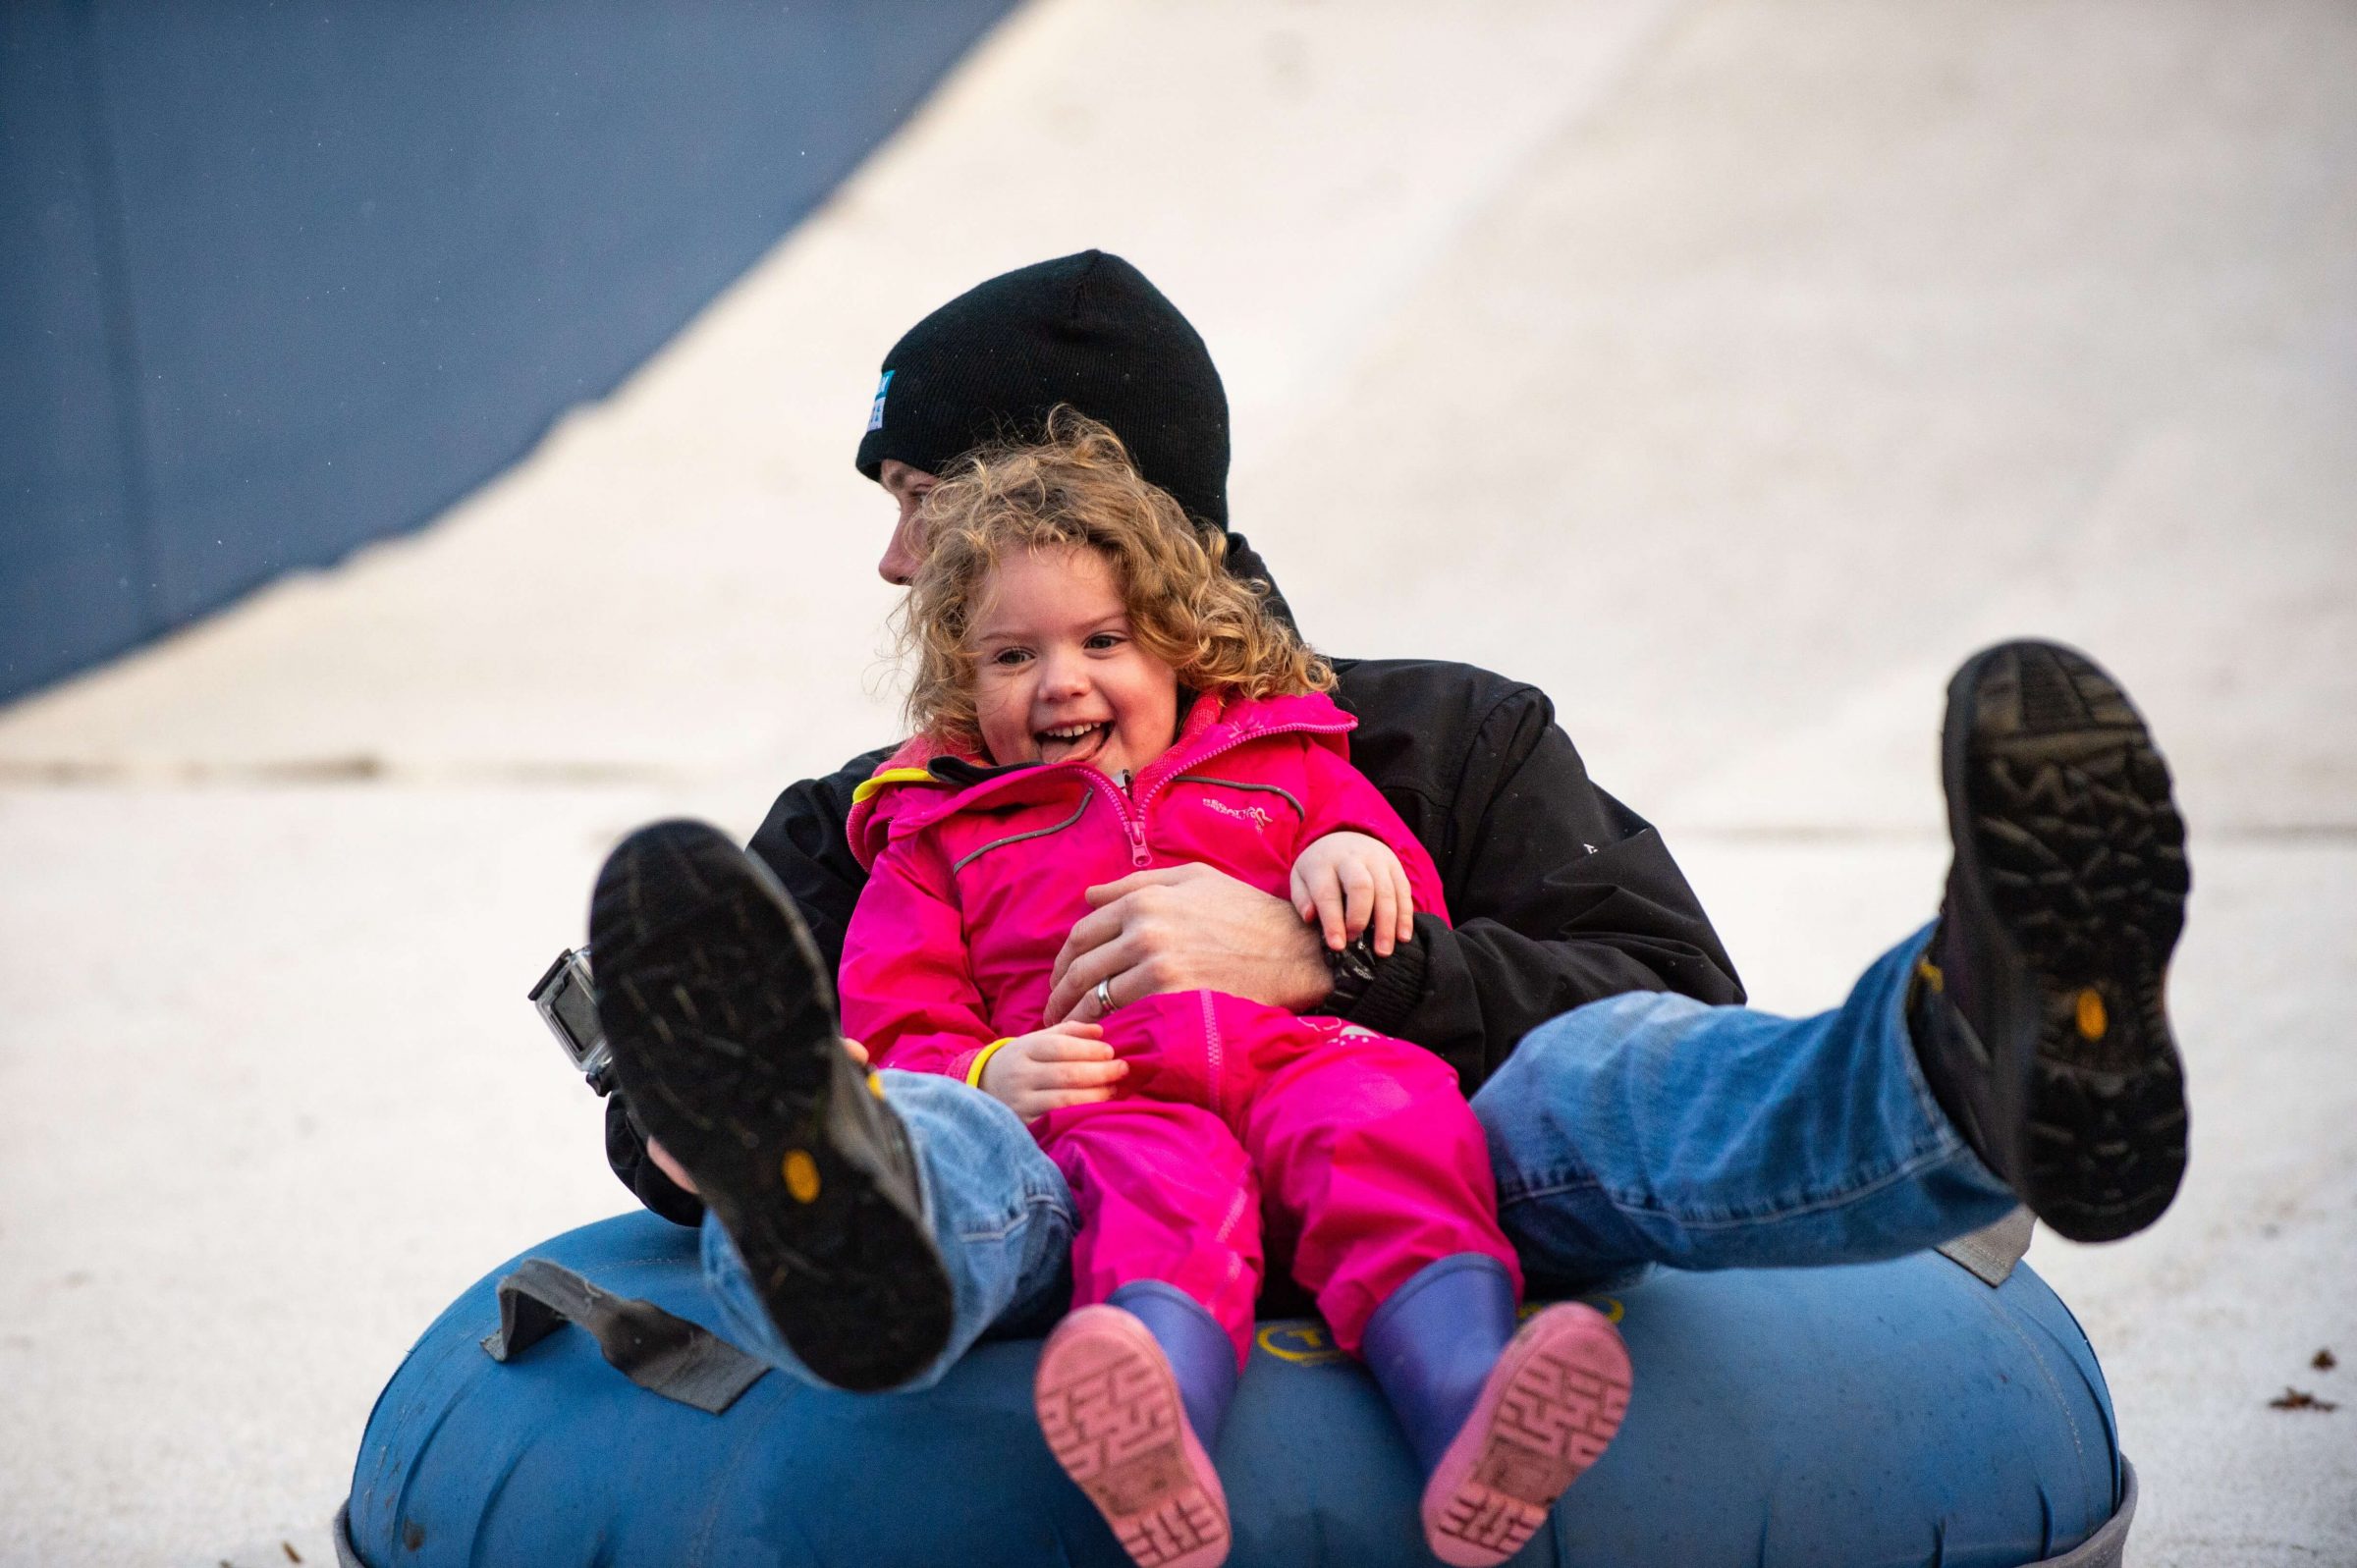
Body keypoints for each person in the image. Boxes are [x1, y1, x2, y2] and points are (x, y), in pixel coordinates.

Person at [586, 252, 2189, 1500]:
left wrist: (1338, 961)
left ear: (1084, 511)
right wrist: (689, 1117)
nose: (887, 562)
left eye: (920, 504)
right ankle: (878, 1214)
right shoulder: (884, 818)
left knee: (1609, 1070)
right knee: (913, 1123)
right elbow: (699, 1092)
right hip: (1067, 1199)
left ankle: (1975, 1058)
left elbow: (1674, 985)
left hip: (1440, 1179)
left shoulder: (1427, 736)